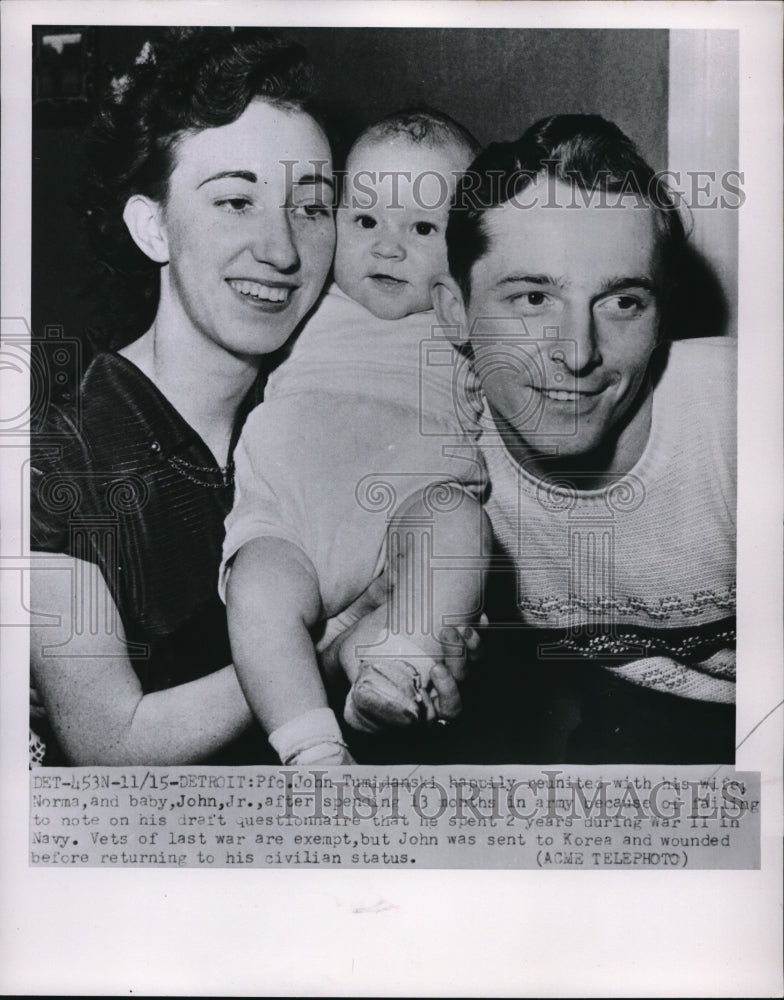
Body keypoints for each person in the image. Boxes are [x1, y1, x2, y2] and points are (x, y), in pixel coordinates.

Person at [28, 28, 340, 765]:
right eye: (236, 201)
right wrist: (333, 644)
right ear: (154, 226)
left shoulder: (318, 415)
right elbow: (108, 742)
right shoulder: (55, 460)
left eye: (312, 206)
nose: (283, 249)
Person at [432, 114, 736, 763]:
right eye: (533, 299)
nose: (577, 354)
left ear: (663, 316)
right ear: (454, 311)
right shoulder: (439, 454)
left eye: (623, 302)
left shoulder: (743, 420)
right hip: (639, 729)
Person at [221, 110, 491, 765]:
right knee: (259, 593)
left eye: (423, 228)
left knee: (457, 528)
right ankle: (311, 749)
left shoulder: (465, 330)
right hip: (290, 522)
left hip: (409, 520)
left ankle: (393, 668)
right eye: (365, 221)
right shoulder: (303, 302)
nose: (387, 247)